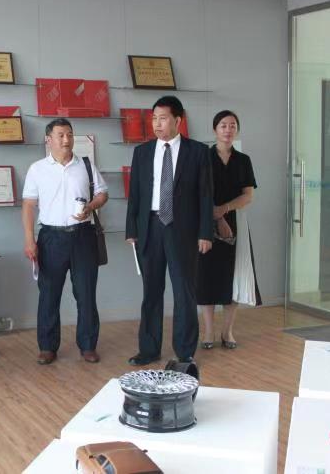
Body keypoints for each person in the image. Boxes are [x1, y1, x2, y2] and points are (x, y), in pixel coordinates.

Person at [125, 96, 213, 366]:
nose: (157, 124)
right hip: (150, 227)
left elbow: (205, 195)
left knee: (184, 291)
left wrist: (205, 233)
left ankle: (184, 351)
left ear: (178, 120)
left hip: (182, 229)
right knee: (151, 291)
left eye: (162, 118)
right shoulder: (142, 152)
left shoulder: (197, 152)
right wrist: (131, 229)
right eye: (154, 118)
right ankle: (149, 349)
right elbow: (135, 194)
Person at [22, 118, 108, 365]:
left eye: (69, 134)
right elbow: (28, 205)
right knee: (49, 295)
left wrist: (91, 206)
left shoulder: (86, 165)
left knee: (86, 294)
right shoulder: (37, 169)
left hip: (83, 236)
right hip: (51, 238)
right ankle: (47, 347)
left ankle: (88, 346)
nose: (66, 139)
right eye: (60, 135)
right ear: (48, 139)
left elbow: (102, 194)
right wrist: (29, 240)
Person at [197, 110, 261, 349]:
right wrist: (215, 215)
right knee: (206, 276)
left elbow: (248, 195)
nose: (228, 129)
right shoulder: (203, 157)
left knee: (234, 276)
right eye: (223, 125)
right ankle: (208, 332)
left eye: (232, 125)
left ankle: (227, 331)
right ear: (215, 129)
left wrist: (224, 210)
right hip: (206, 222)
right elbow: (197, 193)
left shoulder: (243, 160)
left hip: (236, 223)